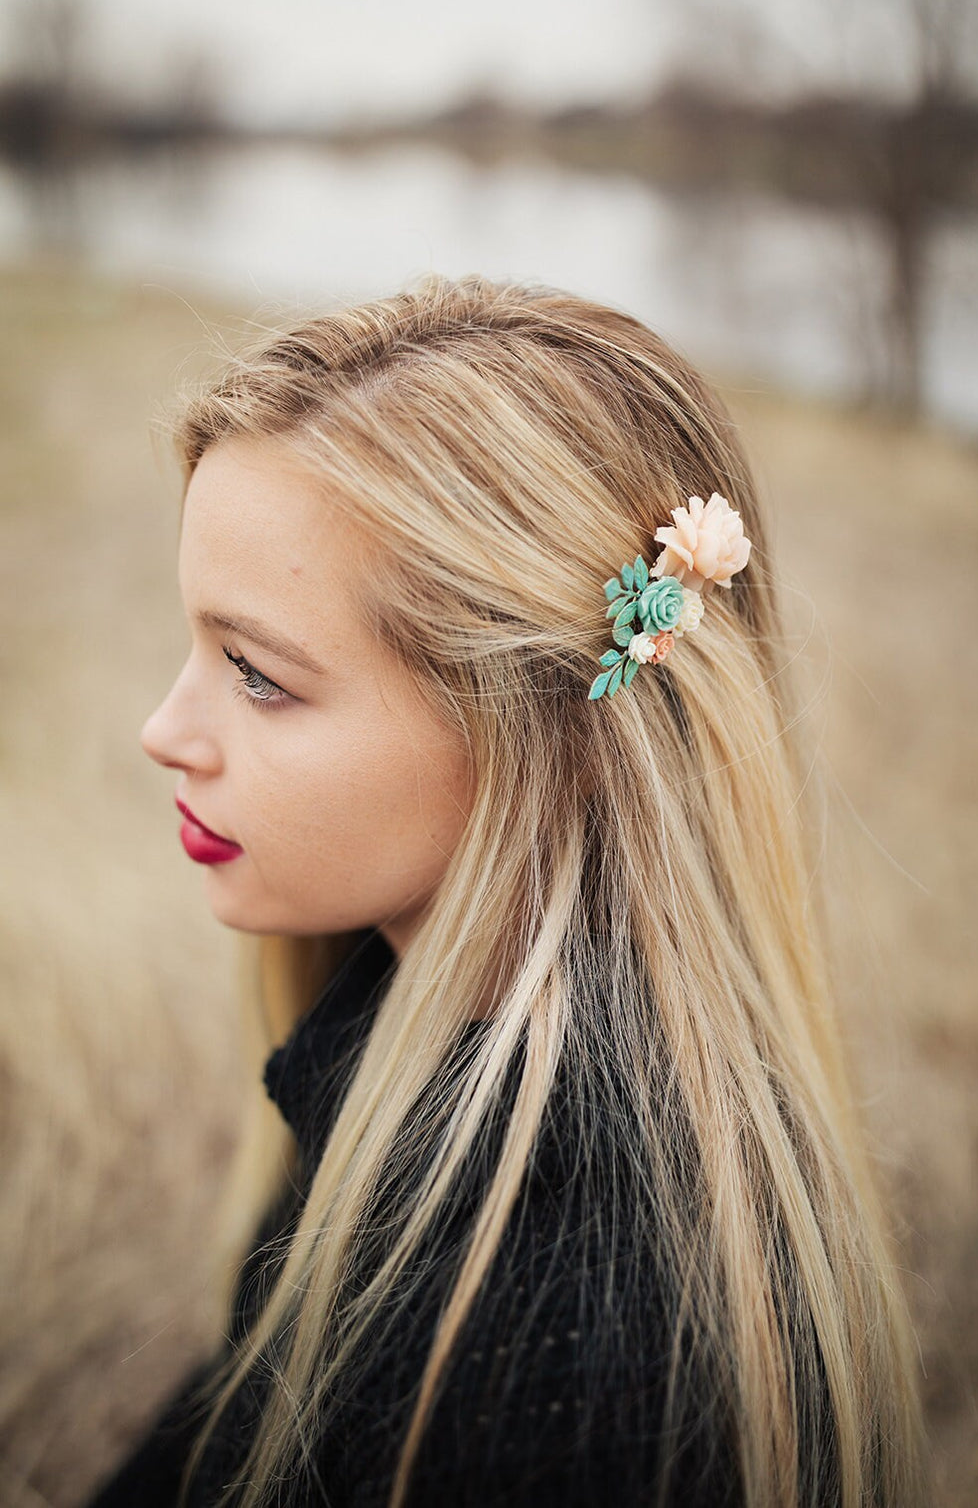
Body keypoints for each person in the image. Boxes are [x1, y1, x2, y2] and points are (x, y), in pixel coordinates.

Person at [87, 274, 927, 1508]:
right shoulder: (399, 1038)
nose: (166, 731)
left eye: (256, 674)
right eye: (197, 647)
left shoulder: (568, 1360)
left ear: (536, 731)